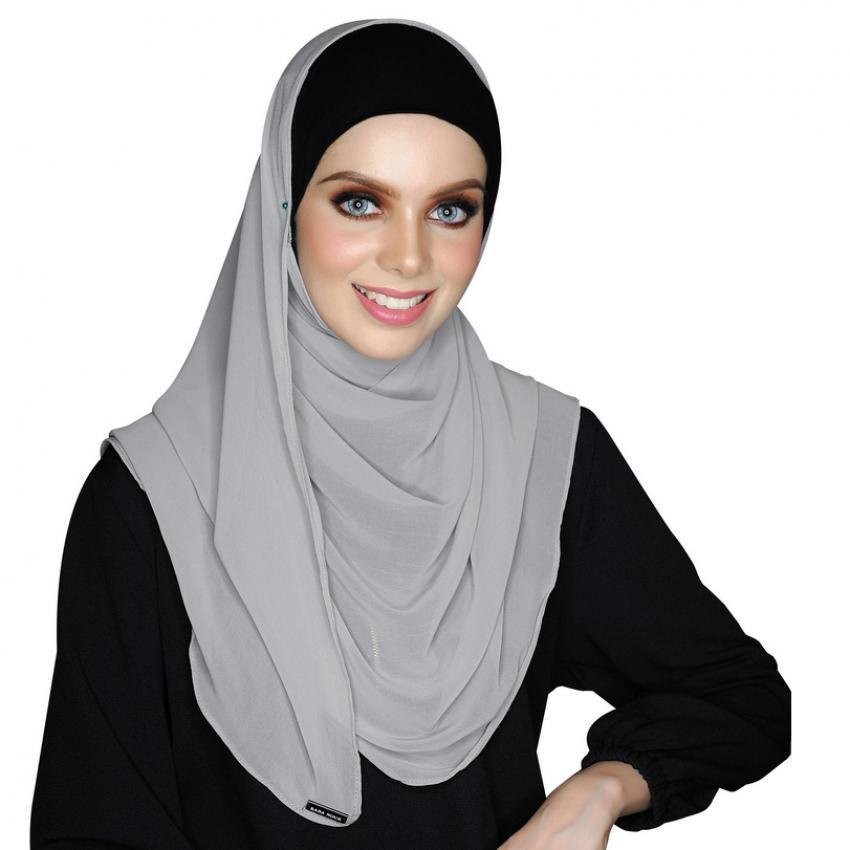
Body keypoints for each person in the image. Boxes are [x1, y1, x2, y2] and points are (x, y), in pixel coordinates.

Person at [30, 18, 791, 850]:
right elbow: (95, 827)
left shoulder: (542, 458)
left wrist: (599, 791)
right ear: (284, 203)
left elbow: (739, 696)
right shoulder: (155, 495)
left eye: (451, 210)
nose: (409, 258)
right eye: (360, 202)